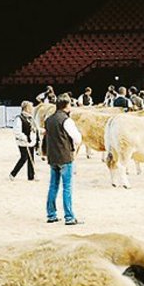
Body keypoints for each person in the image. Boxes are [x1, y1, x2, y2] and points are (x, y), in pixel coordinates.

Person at [45, 94, 83, 225]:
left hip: (52, 156)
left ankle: (51, 214)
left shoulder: (49, 119)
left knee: (53, 186)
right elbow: (77, 138)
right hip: (65, 157)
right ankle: (69, 217)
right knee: (67, 187)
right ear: (66, 106)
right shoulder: (66, 120)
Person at [10, 100, 38, 180]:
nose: (32, 109)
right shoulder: (19, 118)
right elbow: (17, 131)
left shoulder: (30, 118)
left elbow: (34, 128)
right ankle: (13, 173)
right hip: (23, 142)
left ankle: (31, 176)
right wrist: (23, 137)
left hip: (30, 141)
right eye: (31, 107)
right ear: (26, 108)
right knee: (24, 157)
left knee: (31, 158)